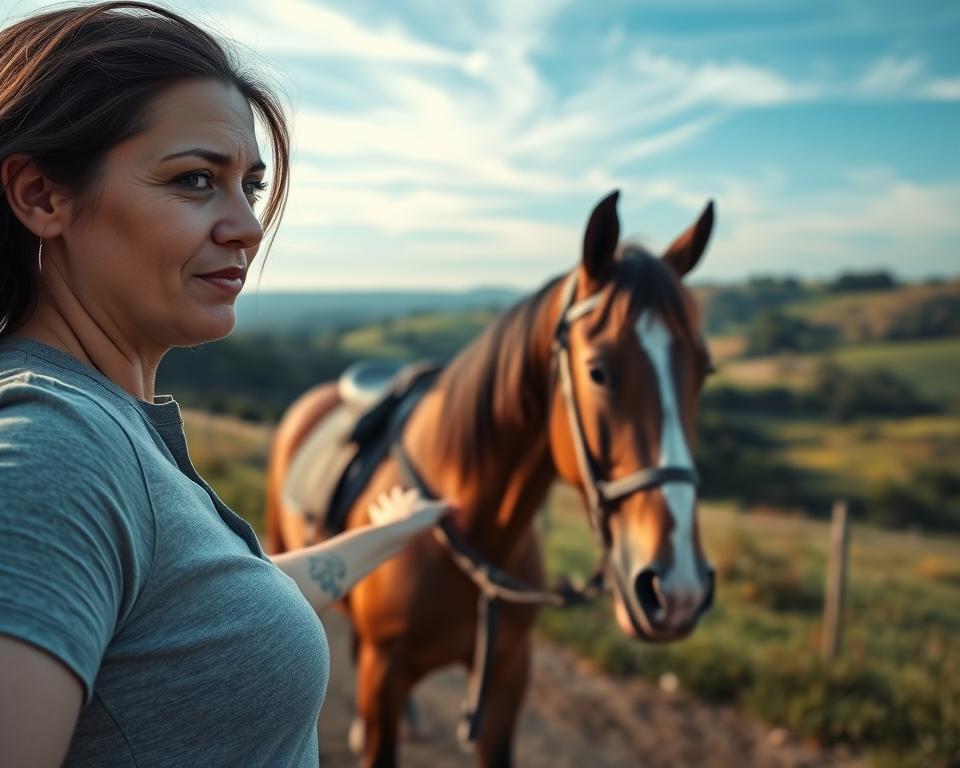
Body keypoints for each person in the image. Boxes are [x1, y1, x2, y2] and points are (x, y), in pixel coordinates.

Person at [0, 3, 449, 766]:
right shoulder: (54, 445)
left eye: (251, 184)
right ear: (43, 197)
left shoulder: (107, 424)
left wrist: (394, 531)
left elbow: (205, 615)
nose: (247, 224)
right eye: (196, 179)